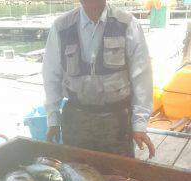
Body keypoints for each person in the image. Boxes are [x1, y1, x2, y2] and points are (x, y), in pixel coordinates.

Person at [43, 0, 155, 158]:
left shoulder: (128, 24)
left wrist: (140, 124)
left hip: (117, 122)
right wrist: (53, 119)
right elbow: (51, 76)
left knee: (119, 174)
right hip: (76, 121)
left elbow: (142, 78)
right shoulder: (61, 27)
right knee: (78, 173)